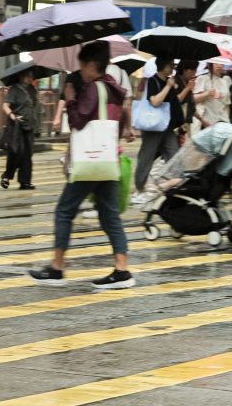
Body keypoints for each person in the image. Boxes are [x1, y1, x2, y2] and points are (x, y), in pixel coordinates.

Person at [29, 40, 135, 290]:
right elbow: (117, 124)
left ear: (91, 65)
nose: (81, 71)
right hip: (107, 160)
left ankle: (57, 267)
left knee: (64, 210)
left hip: (90, 161)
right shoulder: (114, 88)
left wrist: (69, 100)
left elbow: (78, 122)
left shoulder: (93, 88)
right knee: (109, 215)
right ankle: (122, 270)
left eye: (82, 66)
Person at [133, 57, 186, 192]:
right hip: (154, 127)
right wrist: (168, 87)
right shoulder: (153, 81)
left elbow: (174, 105)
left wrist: (181, 123)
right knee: (146, 157)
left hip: (167, 127)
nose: (173, 68)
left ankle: (179, 185)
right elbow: (155, 102)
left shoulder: (170, 82)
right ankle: (139, 187)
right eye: (170, 65)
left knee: (175, 156)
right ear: (163, 66)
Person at [0, 64, 40, 190]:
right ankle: (6, 176)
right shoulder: (14, 89)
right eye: (28, 76)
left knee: (28, 154)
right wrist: (13, 116)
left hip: (30, 125)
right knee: (17, 152)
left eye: (32, 76)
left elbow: (34, 105)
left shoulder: (33, 90)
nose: (30, 78)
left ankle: (25, 181)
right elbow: (5, 106)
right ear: (21, 76)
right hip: (17, 125)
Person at [193, 61, 231, 130]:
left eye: (221, 63)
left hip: (223, 122)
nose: (219, 66)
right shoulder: (202, 79)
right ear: (210, 64)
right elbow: (193, 99)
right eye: (216, 63)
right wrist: (206, 94)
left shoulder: (224, 82)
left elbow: (227, 105)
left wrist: (227, 121)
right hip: (207, 122)